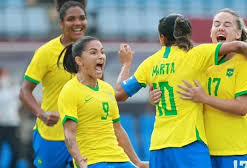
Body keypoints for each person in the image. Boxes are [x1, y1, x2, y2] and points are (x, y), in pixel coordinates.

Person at [114, 13, 247, 168]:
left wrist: (126, 64)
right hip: (188, 142)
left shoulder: (150, 64)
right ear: (189, 35)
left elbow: (119, 94)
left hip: (158, 146)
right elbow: (239, 46)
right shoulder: (197, 55)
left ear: (162, 38)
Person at [172, 8, 247, 168]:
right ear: (211, 33)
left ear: (237, 34)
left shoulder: (246, 63)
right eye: (216, 24)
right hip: (206, 152)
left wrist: (204, 98)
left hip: (239, 150)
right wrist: (154, 95)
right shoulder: (202, 63)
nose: (220, 27)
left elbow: (242, 107)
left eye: (227, 24)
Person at [57, 36, 148, 168]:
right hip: (93, 161)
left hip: (119, 159)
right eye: (94, 53)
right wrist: (80, 161)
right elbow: (69, 133)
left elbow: (118, 130)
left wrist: (137, 162)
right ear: (79, 60)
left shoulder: (107, 89)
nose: (101, 56)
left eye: (102, 52)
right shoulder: (70, 90)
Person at [18, 0, 87, 167]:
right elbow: (24, 91)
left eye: (82, 18)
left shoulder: (92, 50)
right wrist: (42, 114)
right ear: (61, 23)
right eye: (71, 19)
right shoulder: (45, 52)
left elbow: (101, 90)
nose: (77, 23)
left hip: (84, 135)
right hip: (52, 135)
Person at [0, 67, 21, 168]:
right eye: (4, 74)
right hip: (1, 125)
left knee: (16, 150)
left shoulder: (13, 87)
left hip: (12, 124)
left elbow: (19, 97)